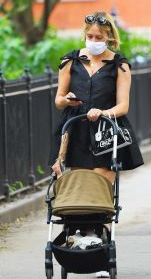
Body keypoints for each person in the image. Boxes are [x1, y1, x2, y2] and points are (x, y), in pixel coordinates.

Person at [49, 10, 144, 182]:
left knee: (99, 189)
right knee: (82, 187)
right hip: (76, 129)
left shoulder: (119, 65)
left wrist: (102, 112)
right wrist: (66, 100)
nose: (93, 41)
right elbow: (58, 101)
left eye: (99, 37)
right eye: (90, 36)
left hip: (106, 131)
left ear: (109, 37)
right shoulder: (70, 61)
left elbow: (123, 106)